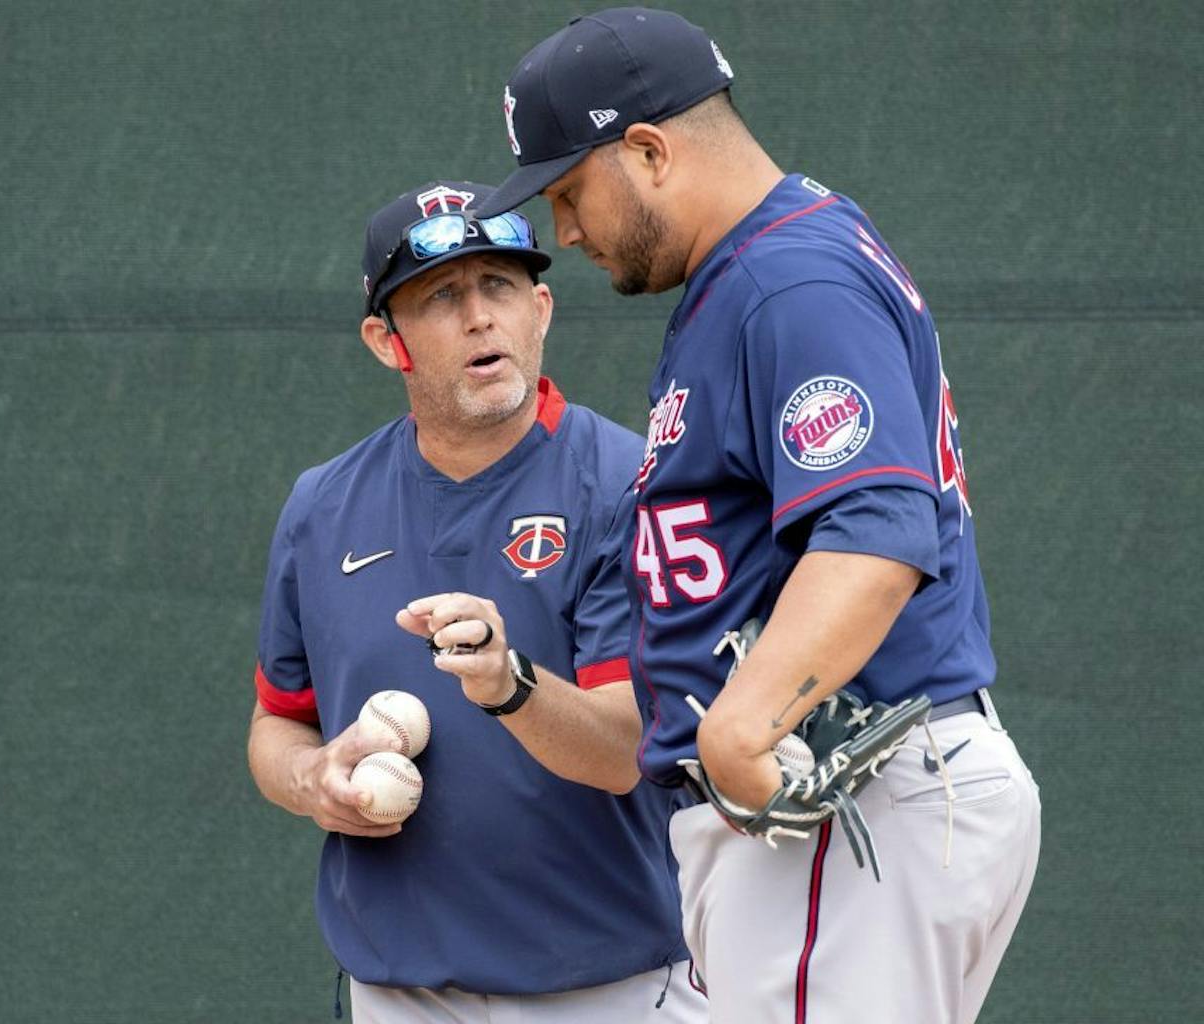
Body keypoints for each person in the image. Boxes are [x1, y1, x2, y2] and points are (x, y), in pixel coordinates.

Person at [472, 9, 1042, 1023]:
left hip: (846, 799)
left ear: (646, 151)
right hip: (828, 817)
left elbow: (876, 530)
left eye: (568, 191)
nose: (562, 229)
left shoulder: (790, 280)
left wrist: (745, 717)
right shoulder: (756, 269)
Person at [247, 179, 708, 1023]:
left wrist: (509, 683)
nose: (479, 317)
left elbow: (625, 750)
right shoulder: (322, 505)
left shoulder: (630, 485)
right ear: (388, 343)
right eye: (442, 297)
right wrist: (313, 780)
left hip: (608, 986)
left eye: (499, 287)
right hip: (398, 991)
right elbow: (278, 721)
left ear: (540, 310)